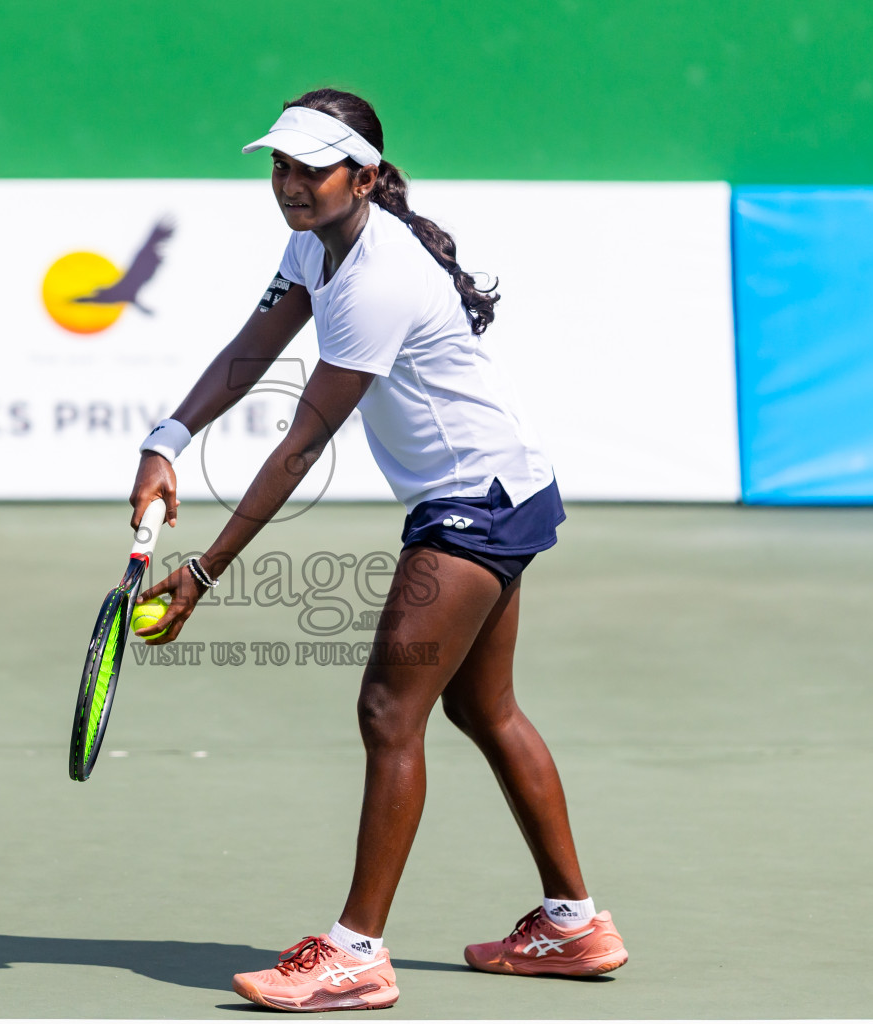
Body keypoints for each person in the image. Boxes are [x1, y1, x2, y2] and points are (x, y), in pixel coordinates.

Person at [126, 88, 628, 1012]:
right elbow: (253, 350)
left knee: (388, 710)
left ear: (361, 175)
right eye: (279, 166)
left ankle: (356, 952)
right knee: (484, 712)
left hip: (474, 501)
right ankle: (575, 924)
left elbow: (303, 442)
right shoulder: (315, 240)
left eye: (309, 169)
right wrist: (168, 437)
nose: (289, 185)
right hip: (500, 489)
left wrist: (199, 575)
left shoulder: (379, 277)